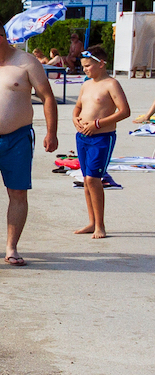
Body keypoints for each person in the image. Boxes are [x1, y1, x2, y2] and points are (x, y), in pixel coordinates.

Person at [0, 18, 59, 267]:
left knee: (17, 193)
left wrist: (51, 132)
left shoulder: (26, 63)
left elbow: (47, 97)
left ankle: (11, 247)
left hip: (18, 139)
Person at [72, 45, 130, 239]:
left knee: (93, 179)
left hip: (101, 138)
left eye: (88, 66)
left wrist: (97, 124)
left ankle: (100, 225)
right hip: (82, 137)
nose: (85, 69)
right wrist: (75, 119)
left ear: (101, 64)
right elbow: (78, 107)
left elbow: (124, 111)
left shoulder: (111, 84)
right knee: (86, 179)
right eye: (84, 66)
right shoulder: (86, 84)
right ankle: (92, 222)